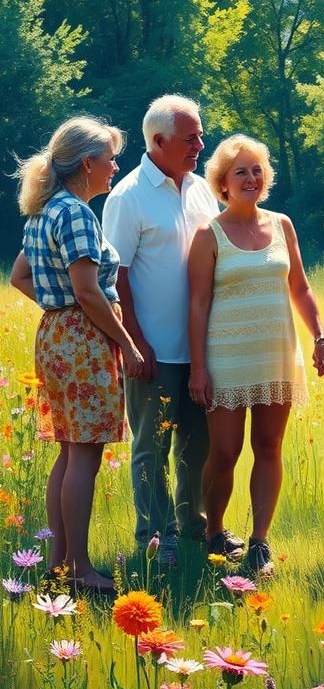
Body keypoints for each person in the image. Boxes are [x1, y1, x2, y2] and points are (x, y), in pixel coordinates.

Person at [187, 134, 324, 574]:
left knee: (269, 446)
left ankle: (259, 542)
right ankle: (215, 530)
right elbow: (196, 304)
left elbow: (301, 287)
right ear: (223, 183)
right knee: (225, 452)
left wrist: (320, 336)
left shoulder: (282, 225)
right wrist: (198, 368)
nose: (251, 178)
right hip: (225, 360)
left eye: (256, 170)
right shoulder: (208, 234)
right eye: (241, 172)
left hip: (276, 356)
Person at [10, 116, 144, 593]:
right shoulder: (75, 214)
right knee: (83, 452)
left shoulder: (45, 210)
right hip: (83, 339)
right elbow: (89, 292)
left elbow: (19, 276)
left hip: (56, 336)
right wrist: (126, 343)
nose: (114, 166)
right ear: (88, 163)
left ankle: (61, 562)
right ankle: (81, 569)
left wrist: (56, 305)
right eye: (109, 158)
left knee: (70, 451)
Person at [102, 94, 219, 567]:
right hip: (153, 351)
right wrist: (136, 343)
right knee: (153, 445)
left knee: (199, 444)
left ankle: (193, 528)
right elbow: (116, 276)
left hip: (202, 349)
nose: (200, 144)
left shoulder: (200, 188)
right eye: (190, 138)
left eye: (199, 136)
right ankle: (154, 536)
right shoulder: (128, 196)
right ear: (158, 141)